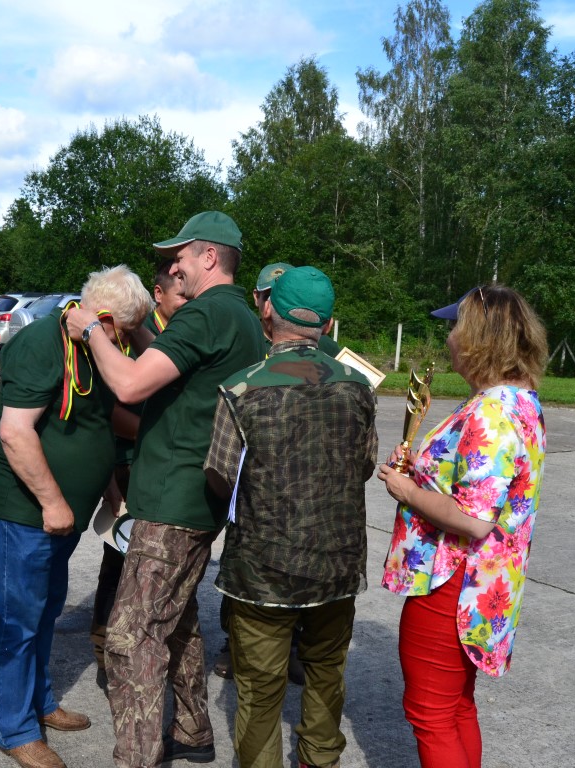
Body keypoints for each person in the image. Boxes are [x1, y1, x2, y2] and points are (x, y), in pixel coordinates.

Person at [66, 211, 266, 768]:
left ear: (209, 257)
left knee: (130, 639)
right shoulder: (240, 316)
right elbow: (180, 366)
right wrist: (137, 332)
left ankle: (138, 756)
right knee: (176, 622)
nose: (173, 267)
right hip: (202, 496)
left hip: (172, 500)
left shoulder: (205, 313)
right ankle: (193, 729)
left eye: (180, 257)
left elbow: (132, 383)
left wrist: (89, 330)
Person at [205, 266, 378, 768]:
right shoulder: (359, 386)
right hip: (338, 563)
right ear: (327, 324)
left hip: (262, 570)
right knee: (326, 672)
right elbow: (365, 464)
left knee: (260, 691)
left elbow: (219, 474)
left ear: (268, 314)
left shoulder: (241, 389)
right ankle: (319, 760)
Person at [0, 265, 152, 768]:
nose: (127, 341)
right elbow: (15, 433)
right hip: (27, 513)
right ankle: (15, 729)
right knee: (17, 620)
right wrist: (53, 502)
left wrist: (109, 486)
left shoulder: (93, 348)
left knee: (44, 610)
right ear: (105, 319)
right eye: (126, 330)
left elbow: (97, 420)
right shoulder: (43, 344)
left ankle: (39, 702)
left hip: (62, 516)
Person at [378, 285, 548, 768]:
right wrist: (424, 468)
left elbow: (474, 520)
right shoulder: (517, 400)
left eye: (455, 327)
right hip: (483, 580)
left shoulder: (491, 413)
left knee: (430, 712)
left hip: (454, 582)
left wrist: (407, 491)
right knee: (455, 705)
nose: (449, 337)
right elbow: (480, 485)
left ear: (478, 338)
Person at [89, 258, 186, 691]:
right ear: (158, 294)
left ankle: (148, 644)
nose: (187, 303)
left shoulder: (167, 338)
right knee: (119, 561)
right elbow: (109, 410)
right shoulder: (123, 335)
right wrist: (161, 431)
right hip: (128, 464)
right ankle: (104, 650)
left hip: (157, 465)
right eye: (181, 295)